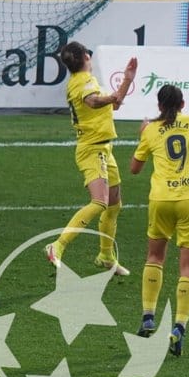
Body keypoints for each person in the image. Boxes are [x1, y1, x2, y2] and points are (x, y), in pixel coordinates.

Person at [129, 84, 189, 357]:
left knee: (154, 257)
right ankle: (179, 327)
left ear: (159, 107)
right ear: (183, 104)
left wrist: (143, 134)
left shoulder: (150, 130)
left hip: (161, 200)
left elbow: (134, 169)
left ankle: (148, 315)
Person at [46, 41, 138, 277]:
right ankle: (57, 246)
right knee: (99, 202)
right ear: (86, 56)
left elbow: (113, 104)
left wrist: (127, 79)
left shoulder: (82, 82)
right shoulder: (84, 82)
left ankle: (106, 256)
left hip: (104, 149)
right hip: (92, 149)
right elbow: (94, 101)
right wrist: (111, 96)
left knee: (115, 203)